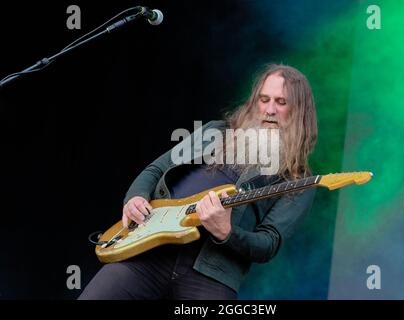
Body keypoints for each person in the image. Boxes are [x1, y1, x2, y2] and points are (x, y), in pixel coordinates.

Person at [78, 63, 318, 300]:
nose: (270, 109)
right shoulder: (216, 131)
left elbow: (269, 243)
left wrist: (227, 233)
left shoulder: (298, 179)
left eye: (281, 102)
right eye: (264, 99)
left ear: (299, 111)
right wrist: (135, 197)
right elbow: (157, 168)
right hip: (149, 251)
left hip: (212, 275)